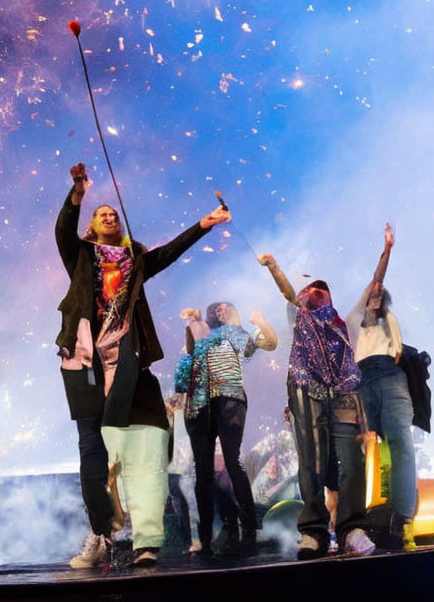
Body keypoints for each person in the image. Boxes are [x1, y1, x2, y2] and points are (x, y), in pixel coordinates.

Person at [56, 162, 229, 568]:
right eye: (101, 214)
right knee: (92, 450)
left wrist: (203, 224)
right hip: (85, 363)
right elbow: (63, 232)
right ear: (92, 227)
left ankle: (145, 539)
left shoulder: (135, 261)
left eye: (113, 213)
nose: (109, 215)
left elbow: (168, 253)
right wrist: (77, 193)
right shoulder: (80, 256)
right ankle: (102, 534)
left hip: (129, 364)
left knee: (140, 448)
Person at [259, 254, 375, 559]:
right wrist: (273, 266)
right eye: (308, 291)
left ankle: (352, 529)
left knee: (351, 461)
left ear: (330, 297)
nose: (312, 294)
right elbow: (286, 291)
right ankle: (314, 532)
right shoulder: (299, 316)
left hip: (343, 393)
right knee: (312, 463)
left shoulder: (342, 325)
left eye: (319, 291)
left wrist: (386, 252)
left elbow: (370, 291)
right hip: (306, 390)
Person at [175, 301, 277, 556]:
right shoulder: (200, 335)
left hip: (229, 398)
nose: (220, 310)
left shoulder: (233, 333)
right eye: (215, 308)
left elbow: (270, 343)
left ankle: (250, 530)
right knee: (203, 471)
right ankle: (206, 539)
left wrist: (260, 321)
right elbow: (187, 360)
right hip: (198, 406)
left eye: (225, 307)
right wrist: (191, 327)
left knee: (233, 461)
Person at [343, 223, 418, 550]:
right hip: (361, 379)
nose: (374, 296)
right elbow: (376, 278)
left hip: (389, 374)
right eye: (371, 293)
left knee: (400, 441)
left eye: (379, 294)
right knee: (366, 447)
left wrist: (389, 248)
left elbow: (401, 355)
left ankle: (403, 518)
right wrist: (386, 251)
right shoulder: (357, 317)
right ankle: (364, 521)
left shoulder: (389, 319)